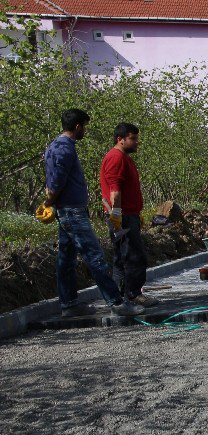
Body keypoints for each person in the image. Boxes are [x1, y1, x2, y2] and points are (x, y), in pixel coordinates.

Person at [43, 109, 144, 318]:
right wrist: (48, 202)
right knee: (94, 256)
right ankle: (116, 303)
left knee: (66, 258)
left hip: (67, 210)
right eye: (84, 126)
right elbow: (57, 182)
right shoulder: (64, 149)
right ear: (78, 126)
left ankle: (69, 304)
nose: (85, 131)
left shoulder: (55, 146)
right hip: (72, 211)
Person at [100, 122, 158, 307]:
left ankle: (119, 296)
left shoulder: (124, 158)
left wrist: (135, 212)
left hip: (128, 214)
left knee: (123, 256)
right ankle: (132, 294)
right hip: (122, 216)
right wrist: (117, 215)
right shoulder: (116, 158)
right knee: (133, 256)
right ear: (120, 139)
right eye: (133, 139)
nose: (136, 142)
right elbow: (114, 191)